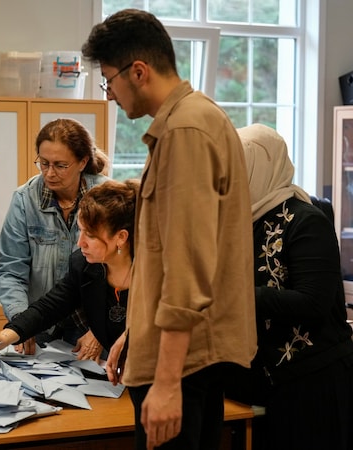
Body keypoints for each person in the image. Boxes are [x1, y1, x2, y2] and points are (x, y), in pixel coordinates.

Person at [82, 9, 257, 450]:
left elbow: (186, 266)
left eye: (109, 81)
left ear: (137, 71)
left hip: (181, 366)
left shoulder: (185, 131)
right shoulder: (196, 119)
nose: (110, 95)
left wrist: (165, 383)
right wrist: (134, 334)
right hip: (179, 357)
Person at [230, 123, 353, 450]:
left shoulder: (306, 220)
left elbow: (314, 303)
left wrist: (240, 296)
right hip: (269, 382)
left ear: (261, 167)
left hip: (313, 383)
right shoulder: (245, 221)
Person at [0, 179, 137, 361]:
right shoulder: (83, 265)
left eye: (90, 235)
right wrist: (5, 336)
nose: (80, 243)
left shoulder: (156, 274)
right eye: (80, 231)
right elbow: (50, 307)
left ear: (121, 237)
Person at [0, 118, 110, 357]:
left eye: (60, 165)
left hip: (93, 326)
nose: (50, 173)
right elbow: (10, 270)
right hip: (42, 322)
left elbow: (124, 272)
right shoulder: (25, 200)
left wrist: (101, 330)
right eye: (43, 163)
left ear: (82, 162)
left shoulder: (105, 198)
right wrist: (21, 321)